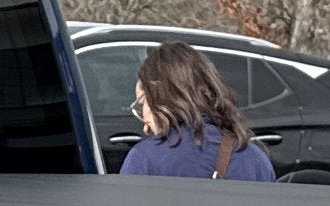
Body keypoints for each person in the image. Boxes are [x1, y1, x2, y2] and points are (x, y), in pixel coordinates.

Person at [117, 43, 275, 181]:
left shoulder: (144, 159)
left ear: (159, 98)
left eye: (142, 104)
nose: (145, 127)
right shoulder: (256, 160)